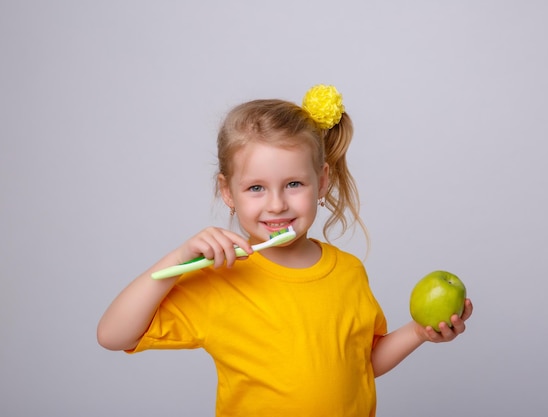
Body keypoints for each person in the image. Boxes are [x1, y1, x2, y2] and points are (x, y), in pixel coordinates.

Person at [97, 85, 473, 417]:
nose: (276, 205)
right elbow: (113, 336)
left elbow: (362, 365)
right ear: (227, 192)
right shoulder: (220, 278)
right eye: (256, 188)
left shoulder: (348, 271)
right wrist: (178, 259)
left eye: (293, 183)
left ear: (321, 180)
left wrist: (420, 333)